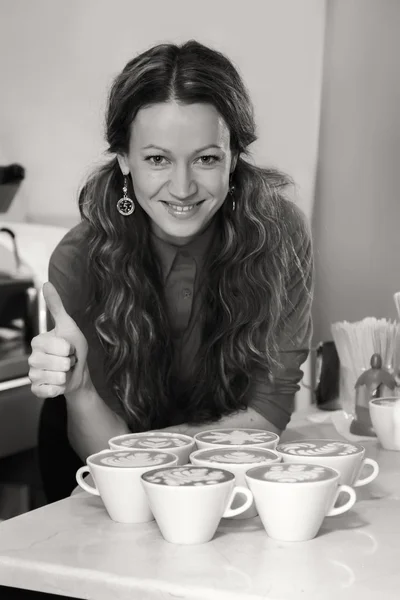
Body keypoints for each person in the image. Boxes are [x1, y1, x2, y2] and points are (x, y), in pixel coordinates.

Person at [28, 40, 313, 477]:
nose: (182, 188)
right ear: (124, 158)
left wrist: (163, 452)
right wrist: (80, 388)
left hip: (222, 468)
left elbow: (267, 413)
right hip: (103, 468)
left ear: (233, 157)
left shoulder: (280, 235)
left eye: (206, 159)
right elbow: (108, 454)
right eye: (158, 159)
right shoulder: (79, 257)